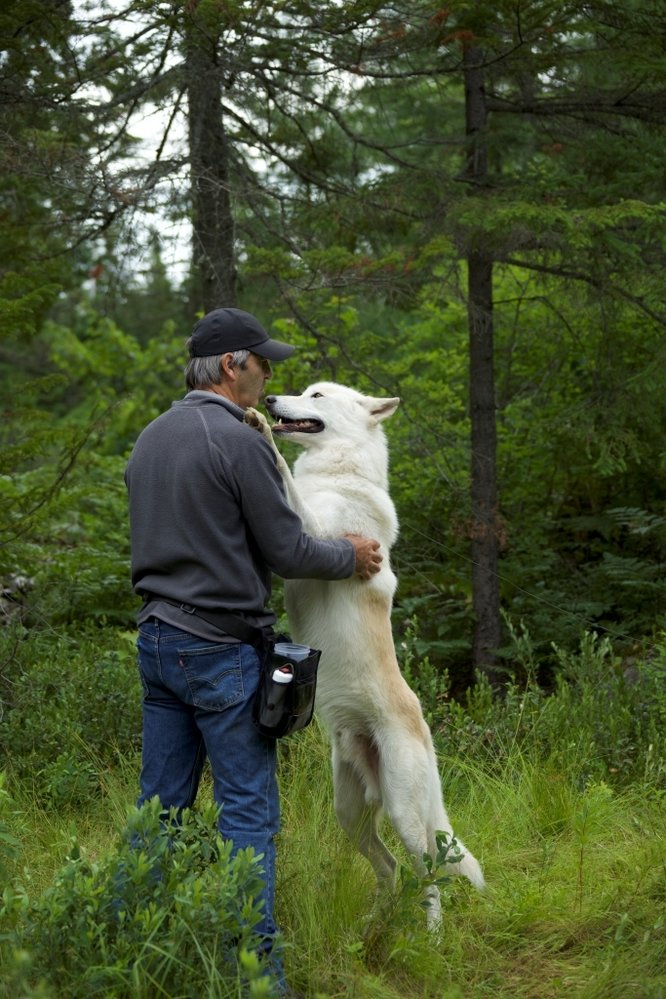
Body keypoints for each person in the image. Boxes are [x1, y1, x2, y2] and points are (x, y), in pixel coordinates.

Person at [124, 307, 382, 994]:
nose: (270, 373)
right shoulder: (239, 441)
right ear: (233, 364)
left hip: (156, 644)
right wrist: (349, 554)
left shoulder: (150, 438)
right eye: (263, 361)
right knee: (248, 814)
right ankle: (258, 981)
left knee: (160, 807)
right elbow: (289, 549)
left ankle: (130, 948)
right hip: (221, 650)